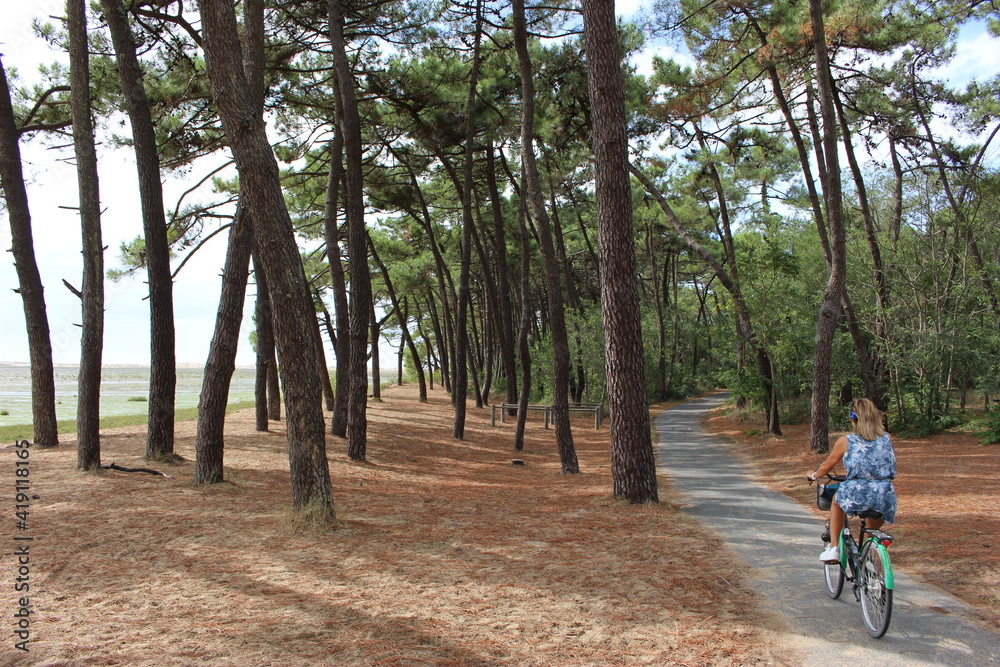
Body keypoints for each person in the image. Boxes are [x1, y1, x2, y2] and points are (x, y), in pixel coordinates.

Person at [808, 398, 897, 562]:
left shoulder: (847, 440)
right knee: (872, 537)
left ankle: (834, 547)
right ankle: (874, 570)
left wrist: (813, 475)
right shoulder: (886, 438)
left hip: (857, 491)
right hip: (885, 493)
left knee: (836, 501)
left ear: (852, 418)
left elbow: (827, 466)